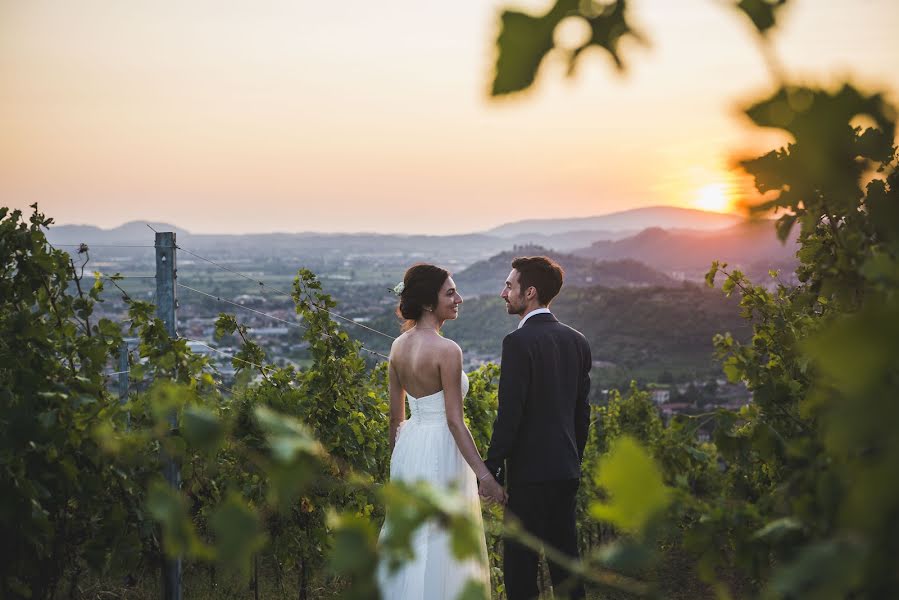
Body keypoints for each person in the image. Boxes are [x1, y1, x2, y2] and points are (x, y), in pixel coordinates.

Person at [377, 263, 503, 599]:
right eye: (450, 292)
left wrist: (399, 460)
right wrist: (485, 475)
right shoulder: (448, 351)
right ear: (430, 303)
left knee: (413, 537)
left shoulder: (397, 347)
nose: (459, 298)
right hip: (442, 447)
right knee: (444, 539)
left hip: (408, 446)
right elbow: (454, 420)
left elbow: (394, 418)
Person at [482, 256, 592, 600]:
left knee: (520, 571)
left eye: (509, 286)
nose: (503, 293)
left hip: (529, 475)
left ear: (529, 292)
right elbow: (581, 414)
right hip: (565, 471)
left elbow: (510, 413)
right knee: (566, 567)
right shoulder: (578, 341)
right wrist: (574, 458)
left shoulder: (517, 344)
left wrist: (492, 468)